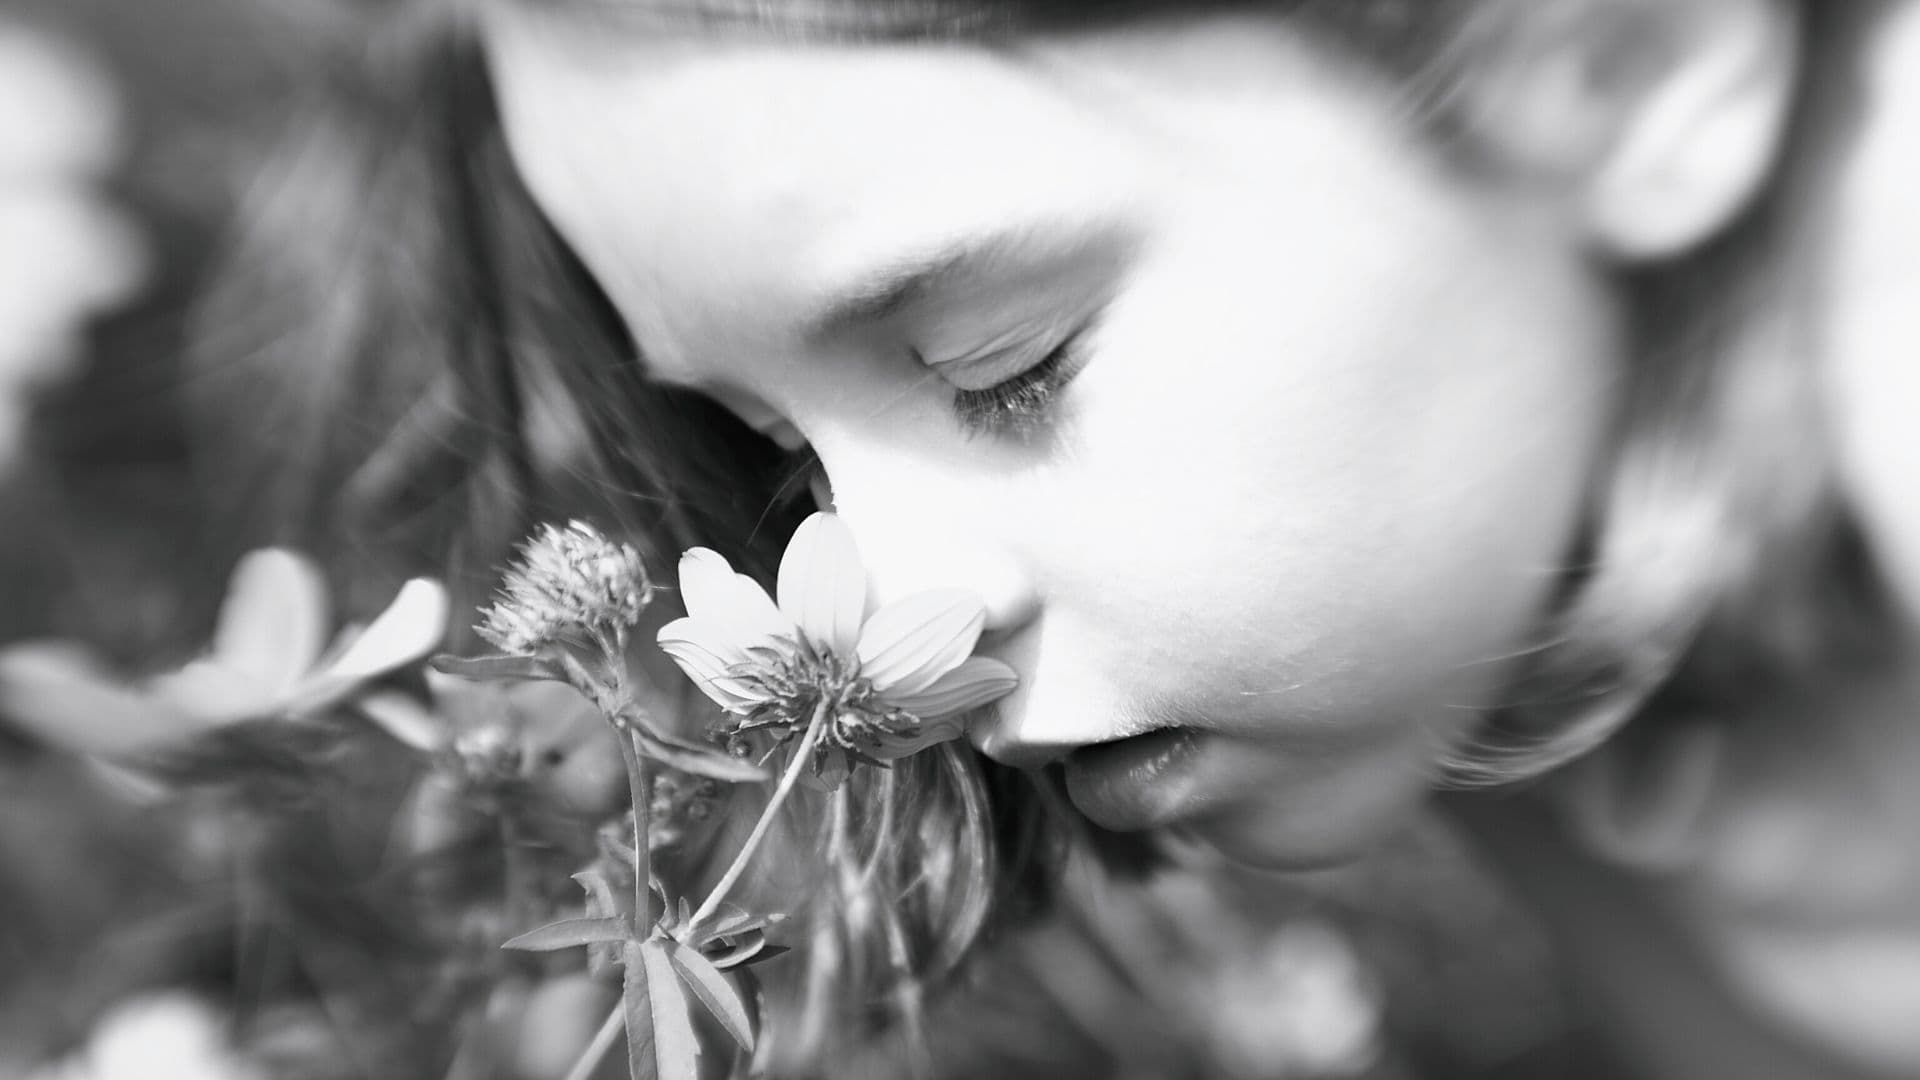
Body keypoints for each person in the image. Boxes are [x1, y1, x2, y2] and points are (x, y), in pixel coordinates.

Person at [190, 0, 1916, 1076]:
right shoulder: (1474, 646)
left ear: (1625, 55)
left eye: (1005, 369)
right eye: (777, 449)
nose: (890, 611)